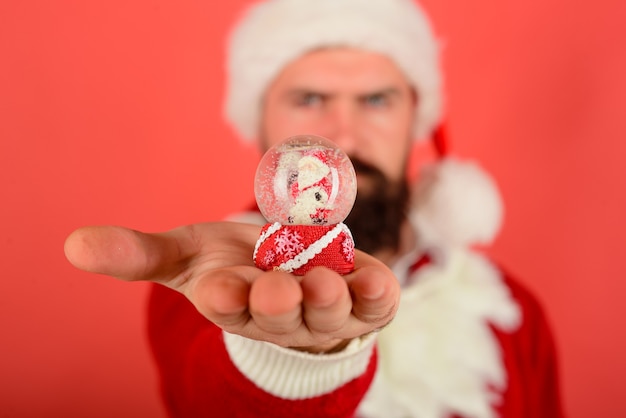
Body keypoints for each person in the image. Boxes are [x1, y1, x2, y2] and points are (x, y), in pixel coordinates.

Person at [64, 0, 564, 417]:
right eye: (308, 98)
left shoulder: (514, 315)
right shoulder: (196, 287)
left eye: (375, 100)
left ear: (415, 118)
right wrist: (290, 359)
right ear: (259, 122)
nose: (342, 136)